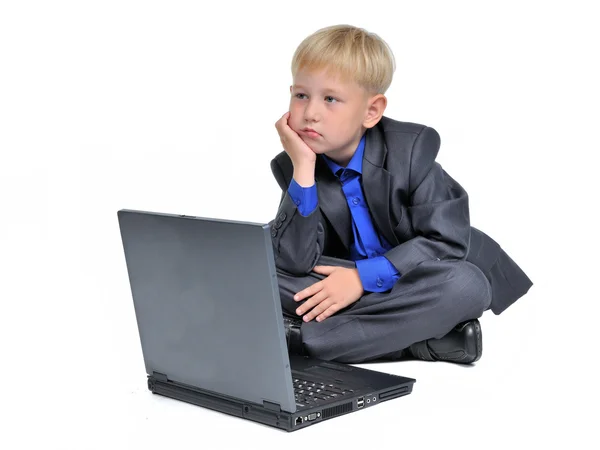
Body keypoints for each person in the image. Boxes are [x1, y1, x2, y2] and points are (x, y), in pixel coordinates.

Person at [268, 24, 532, 364]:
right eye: (301, 95)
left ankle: (301, 342)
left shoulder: (410, 150)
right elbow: (293, 262)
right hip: (347, 282)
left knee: (467, 286)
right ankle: (420, 342)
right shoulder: (296, 162)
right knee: (259, 270)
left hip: (417, 275)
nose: (310, 113)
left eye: (330, 99)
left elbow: (446, 243)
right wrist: (303, 170)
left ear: (371, 111)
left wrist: (361, 280)